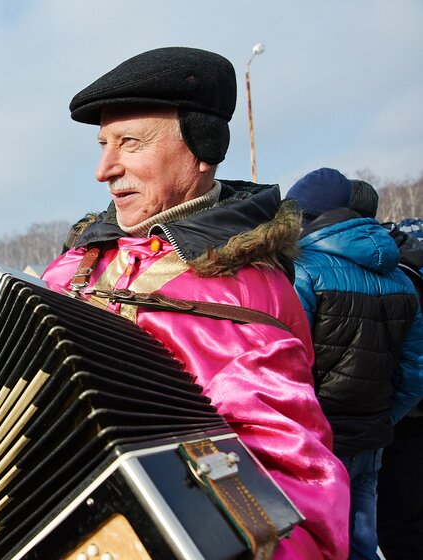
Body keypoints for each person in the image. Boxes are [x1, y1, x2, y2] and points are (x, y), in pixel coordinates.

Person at [40, 47, 350, 558]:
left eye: (129, 143)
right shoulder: (77, 263)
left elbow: (299, 507)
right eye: (102, 145)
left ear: (202, 150)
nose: (103, 169)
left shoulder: (246, 296)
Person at [297, 175, 423, 560]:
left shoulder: (303, 271)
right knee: (363, 542)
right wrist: (383, 417)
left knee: (315, 543)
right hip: (372, 438)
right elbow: (416, 372)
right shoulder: (401, 276)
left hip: (319, 441)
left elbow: (288, 365)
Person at [377, 215, 423, 560]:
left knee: (396, 517)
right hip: (405, 412)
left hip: (399, 419)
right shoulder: (405, 275)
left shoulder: (398, 277)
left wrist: (391, 416)